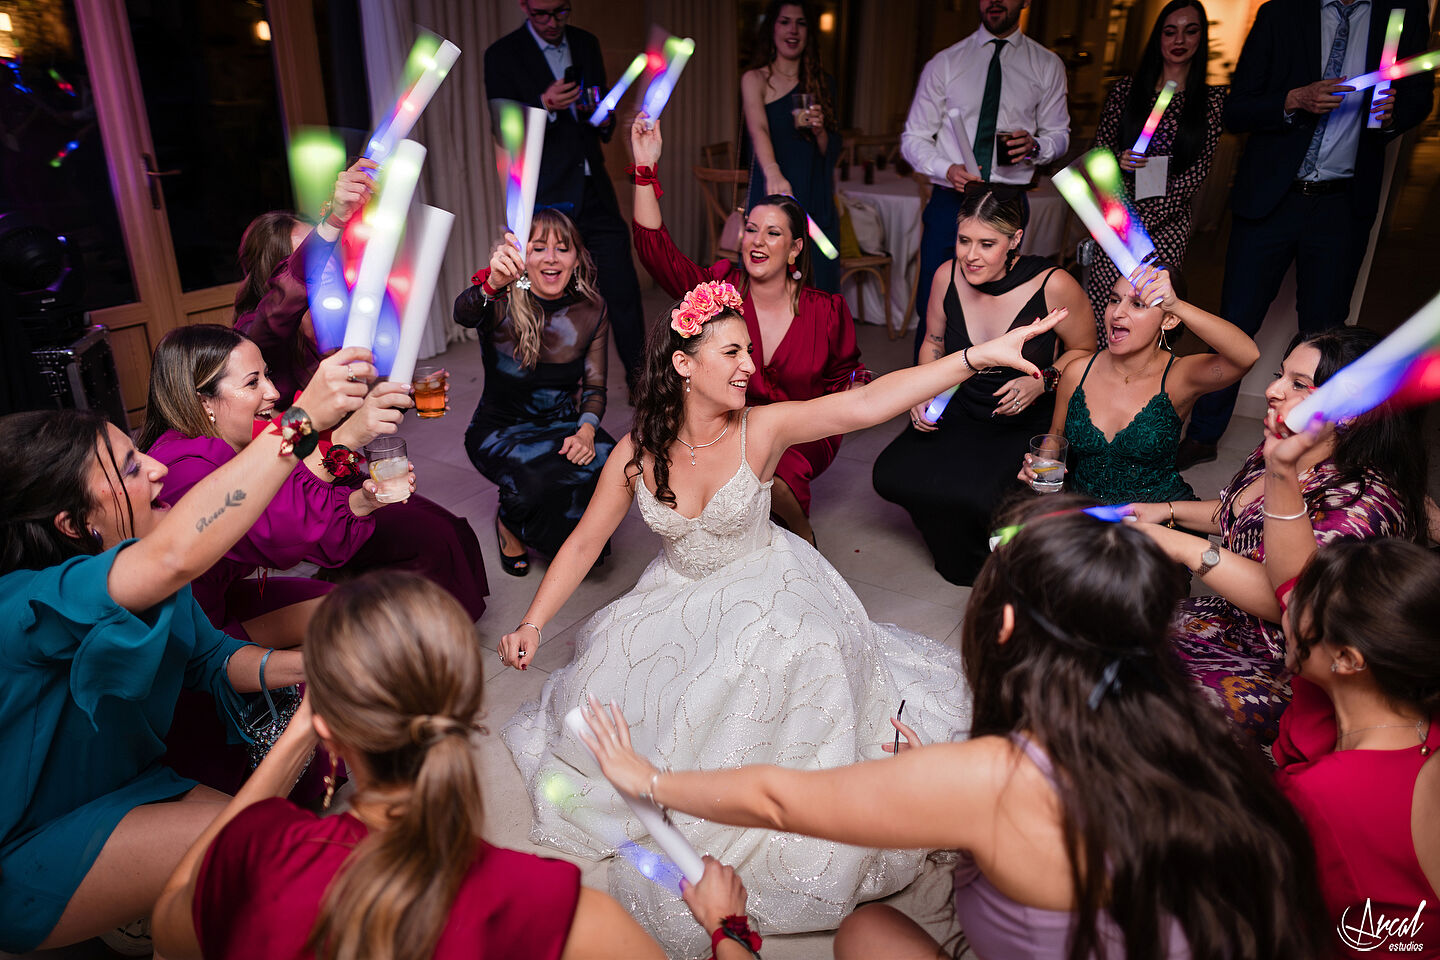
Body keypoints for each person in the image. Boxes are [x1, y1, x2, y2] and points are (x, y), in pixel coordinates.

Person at [497, 279, 1064, 954]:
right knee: (626, 710)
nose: (747, 366)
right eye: (731, 351)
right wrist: (534, 621)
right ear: (683, 364)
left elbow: (865, 403)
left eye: (749, 351)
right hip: (674, 599)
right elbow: (587, 539)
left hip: (775, 591)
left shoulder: (761, 429)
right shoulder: (634, 451)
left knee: (801, 664)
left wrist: (974, 358)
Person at [576, 496, 1330, 960]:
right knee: (869, 934)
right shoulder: (1201, 731)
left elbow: (778, 799)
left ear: (1003, 624)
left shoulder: (1000, 778)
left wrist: (650, 784)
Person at [150, 573, 759, 960]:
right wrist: (727, 931)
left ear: (333, 726)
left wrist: (306, 728)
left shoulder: (256, 854)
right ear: (469, 709)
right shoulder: (563, 912)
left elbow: (170, 929)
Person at [0, 349, 368, 954]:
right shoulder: (32, 601)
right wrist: (301, 421)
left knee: (285, 849)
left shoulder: (151, 586)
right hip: (33, 837)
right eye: (130, 467)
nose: (158, 469)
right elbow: (176, 553)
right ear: (73, 524)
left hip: (133, 786)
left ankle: (151, 909)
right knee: (271, 863)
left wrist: (316, 665)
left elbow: (215, 660)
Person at [1126, 327, 1426, 743]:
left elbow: (1293, 604)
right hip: (1231, 620)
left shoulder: (1359, 506)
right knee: (1112, 638)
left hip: (1287, 662)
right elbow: (1246, 518)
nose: (1273, 391)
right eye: (1280, 375)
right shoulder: (1285, 446)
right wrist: (1168, 510)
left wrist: (1184, 547)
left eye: (1299, 384)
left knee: (1142, 708)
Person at [1177, 0, 1433, 468]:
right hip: (1271, 198)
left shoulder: (1403, 15)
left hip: (1341, 204)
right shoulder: (1280, 14)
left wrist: (1395, 112)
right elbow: (1238, 109)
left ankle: (1302, 447)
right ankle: (1204, 433)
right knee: (1235, 322)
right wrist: (1293, 100)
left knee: (1324, 333)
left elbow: (1419, 100)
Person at [139, 325, 488, 625]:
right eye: (252, 382)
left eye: (267, 375)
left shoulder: (246, 436)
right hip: (192, 630)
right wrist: (344, 434)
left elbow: (299, 490)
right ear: (203, 402)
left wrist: (363, 499)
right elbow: (285, 528)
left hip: (227, 594)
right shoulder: (183, 465)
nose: (273, 392)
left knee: (362, 610)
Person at [631, 116, 863, 544]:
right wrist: (644, 169)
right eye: (751, 229)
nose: (756, 241)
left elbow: (846, 377)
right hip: (729, 423)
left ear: (795, 248)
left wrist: (861, 395)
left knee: (771, 473)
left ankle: (802, 535)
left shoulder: (828, 311)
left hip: (801, 431)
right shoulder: (721, 289)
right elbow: (657, 253)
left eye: (773, 233)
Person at [872, 183, 1093, 586]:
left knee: (979, 495)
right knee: (891, 473)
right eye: (963, 240)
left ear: (1015, 239)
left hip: (1020, 417)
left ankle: (990, 556)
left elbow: (1087, 350)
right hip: (958, 406)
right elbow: (934, 342)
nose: (970, 256)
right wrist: (924, 392)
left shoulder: (1053, 283)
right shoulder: (946, 275)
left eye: (987, 244)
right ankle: (952, 538)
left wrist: (1044, 381)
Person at [1273, 540, 1440, 958]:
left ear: (1347, 659)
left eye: (1303, 600)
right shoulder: (1421, 724)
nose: (1288, 601)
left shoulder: (1319, 792)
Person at [484, 0, 646, 385]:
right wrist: (544, 105)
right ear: (524, 6)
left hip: (595, 190)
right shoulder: (502, 54)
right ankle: (553, 391)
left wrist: (603, 114)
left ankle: (644, 385)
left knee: (622, 288)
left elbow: (599, 111)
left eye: (561, 11)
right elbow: (501, 128)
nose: (553, 22)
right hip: (548, 196)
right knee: (549, 298)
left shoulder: (586, 42)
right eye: (542, 13)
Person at [901, 0, 1071, 357]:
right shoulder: (946, 63)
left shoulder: (1046, 64)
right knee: (936, 302)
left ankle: (984, 397)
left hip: (1008, 201)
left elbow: (1060, 135)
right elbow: (913, 138)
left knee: (1002, 302)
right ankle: (924, 401)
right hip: (951, 199)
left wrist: (1037, 145)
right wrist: (945, 168)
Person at [455, 210, 616, 576]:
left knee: (613, 461)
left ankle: (572, 539)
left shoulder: (591, 308)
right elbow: (463, 313)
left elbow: (594, 386)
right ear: (522, 256)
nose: (551, 258)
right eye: (539, 247)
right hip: (499, 431)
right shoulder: (499, 300)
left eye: (563, 248)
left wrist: (586, 431)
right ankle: (510, 522)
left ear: (577, 258)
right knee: (534, 481)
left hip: (563, 424)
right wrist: (492, 284)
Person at [1020, 264, 1258, 505]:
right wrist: (1039, 470)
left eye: (1137, 304)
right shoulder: (1077, 371)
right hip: (1087, 518)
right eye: (1114, 300)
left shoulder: (1178, 376)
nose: (1117, 313)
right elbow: (1055, 437)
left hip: (1153, 521)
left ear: (1169, 320)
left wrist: (1176, 305)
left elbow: (1246, 356)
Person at [1086, 0, 1227, 340]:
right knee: (1106, 311)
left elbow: (1196, 173)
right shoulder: (1124, 92)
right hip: (1117, 224)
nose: (1179, 39)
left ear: (1201, 38)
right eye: (1170, 31)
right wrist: (1115, 164)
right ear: (1158, 38)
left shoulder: (1212, 101)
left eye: (1190, 30)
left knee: (1150, 315)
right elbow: (1097, 158)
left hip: (1166, 231)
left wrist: (1143, 226)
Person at [234, 158, 375, 401]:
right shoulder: (252, 331)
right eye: (308, 256)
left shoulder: (333, 306)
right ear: (278, 273)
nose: (325, 262)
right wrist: (334, 218)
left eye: (324, 250)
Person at [741, 0, 842, 293]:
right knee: (769, 277)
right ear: (772, 28)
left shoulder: (824, 83)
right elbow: (757, 128)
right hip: (773, 186)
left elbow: (831, 151)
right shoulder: (755, 79)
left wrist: (821, 130)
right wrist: (772, 172)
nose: (792, 30)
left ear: (809, 32)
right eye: (785, 21)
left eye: (800, 23)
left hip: (814, 192)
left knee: (818, 281)